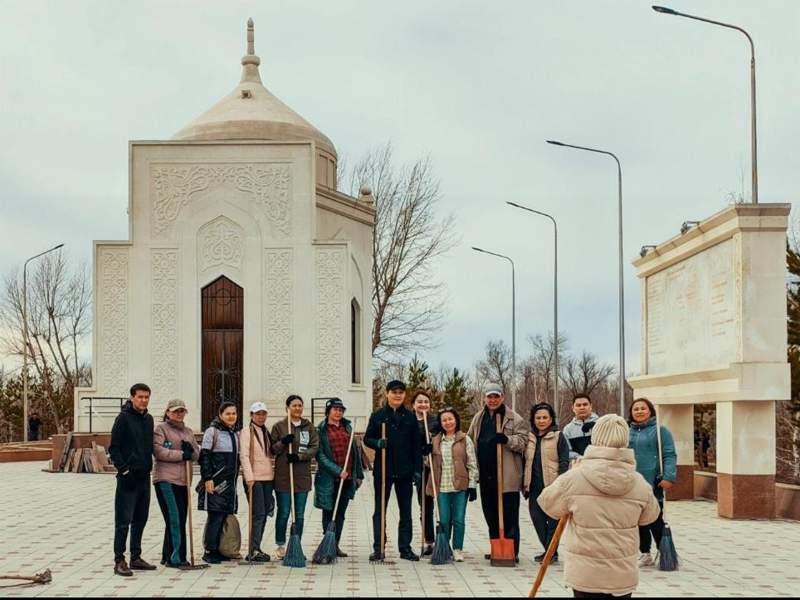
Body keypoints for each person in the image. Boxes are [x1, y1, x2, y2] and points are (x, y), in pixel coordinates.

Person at [538, 414, 661, 598]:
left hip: (585, 575)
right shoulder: (639, 483)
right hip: (622, 575)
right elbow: (650, 516)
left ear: (595, 437)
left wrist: (571, 473)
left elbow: (547, 504)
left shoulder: (575, 477)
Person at [466, 382, 529, 563]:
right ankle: (496, 546)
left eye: (496, 396)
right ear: (484, 398)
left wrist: (507, 439)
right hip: (486, 474)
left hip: (507, 475)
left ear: (502, 397)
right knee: (490, 513)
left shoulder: (514, 418)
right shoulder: (478, 418)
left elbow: (524, 441)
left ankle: (512, 550)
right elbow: (469, 440)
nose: (493, 400)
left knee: (509, 514)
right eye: (489, 397)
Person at [364, 380, 422, 561]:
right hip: (384, 471)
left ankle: (405, 548)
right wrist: (377, 443)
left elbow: (416, 445)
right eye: (394, 392)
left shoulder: (410, 417)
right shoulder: (378, 416)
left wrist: (417, 470)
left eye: (401, 392)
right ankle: (379, 547)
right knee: (380, 510)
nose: (398, 395)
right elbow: (367, 438)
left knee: (406, 511)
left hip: (405, 471)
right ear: (387, 393)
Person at [109, 383, 157, 576]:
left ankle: (135, 557)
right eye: (140, 397)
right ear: (132, 398)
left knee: (140, 519)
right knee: (123, 520)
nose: (143, 400)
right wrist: (124, 471)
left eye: (146, 397)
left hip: (144, 477)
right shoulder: (123, 418)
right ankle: (119, 560)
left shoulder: (149, 419)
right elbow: (114, 448)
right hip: (128, 478)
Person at [628, 398, 677, 568]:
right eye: (636, 409)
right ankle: (645, 553)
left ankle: (664, 552)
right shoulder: (628, 432)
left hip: (653, 482)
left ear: (650, 411)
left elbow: (669, 454)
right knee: (639, 520)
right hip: (633, 483)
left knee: (655, 518)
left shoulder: (660, 431)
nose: (639, 411)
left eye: (643, 408)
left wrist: (669, 477)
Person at [270, 394, 319, 560]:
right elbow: (273, 449)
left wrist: (299, 456)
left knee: (299, 514)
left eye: (300, 405)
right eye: (294, 405)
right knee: (284, 512)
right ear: (287, 408)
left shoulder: (308, 426)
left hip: (302, 477)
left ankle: (296, 544)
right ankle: (280, 544)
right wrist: (283, 442)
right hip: (284, 476)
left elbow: (314, 447)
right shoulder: (279, 426)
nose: (297, 408)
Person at [314, 398, 364, 557]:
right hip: (329, 479)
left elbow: (355, 452)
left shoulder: (347, 427)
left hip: (347, 479)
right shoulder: (320, 430)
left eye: (341, 410)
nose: (338, 412)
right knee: (328, 511)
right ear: (328, 411)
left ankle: (335, 544)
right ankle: (327, 542)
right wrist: (337, 471)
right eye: (335, 409)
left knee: (340, 513)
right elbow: (320, 456)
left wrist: (359, 474)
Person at [152, 399, 200, 568]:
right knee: (174, 518)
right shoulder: (161, 429)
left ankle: (167, 554)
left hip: (184, 480)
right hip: (166, 479)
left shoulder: (188, 431)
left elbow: (196, 454)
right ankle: (176, 557)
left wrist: (191, 451)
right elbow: (159, 451)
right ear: (168, 412)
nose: (179, 414)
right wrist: (181, 454)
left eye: (181, 411)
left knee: (180, 518)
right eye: (175, 411)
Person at [426, 407, 477, 562]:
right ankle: (444, 548)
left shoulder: (464, 439)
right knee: (444, 519)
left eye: (450, 419)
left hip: (460, 486)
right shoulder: (435, 440)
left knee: (458, 519)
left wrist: (472, 485)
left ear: (456, 420)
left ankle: (457, 549)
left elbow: (472, 463)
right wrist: (426, 452)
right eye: (444, 420)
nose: (448, 422)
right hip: (441, 486)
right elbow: (429, 464)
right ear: (440, 423)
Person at [523, 402, 570, 563]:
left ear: (551, 419)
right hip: (534, 487)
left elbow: (564, 460)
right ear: (533, 419)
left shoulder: (558, 436)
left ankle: (550, 553)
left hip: (553, 487)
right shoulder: (529, 438)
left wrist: (561, 482)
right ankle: (550, 551)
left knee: (553, 523)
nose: (541, 421)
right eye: (538, 418)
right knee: (537, 520)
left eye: (545, 417)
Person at [198, 401, 240, 564]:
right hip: (216, 482)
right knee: (215, 515)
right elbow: (205, 456)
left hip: (230, 482)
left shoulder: (234, 433)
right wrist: (207, 478)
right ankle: (209, 550)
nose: (231, 416)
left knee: (223, 515)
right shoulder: (212, 431)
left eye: (234, 413)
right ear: (220, 415)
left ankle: (219, 549)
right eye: (228, 413)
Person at [240, 401, 275, 562]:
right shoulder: (246, 431)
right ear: (251, 415)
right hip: (255, 478)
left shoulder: (266, 431)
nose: (261, 417)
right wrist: (249, 476)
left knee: (265, 512)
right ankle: (252, 549)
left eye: (263, 414)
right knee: (258, 513)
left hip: (268, 477)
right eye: (258, 414)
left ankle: (257, 547)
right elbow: (244, 455)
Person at [413, 390, 439, 556]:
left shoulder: (435, 422)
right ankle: (428, 540)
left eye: (426, 402)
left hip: (434, 466)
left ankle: (441, 540)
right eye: (419, 401)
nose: (423, 404)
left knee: (438, 504)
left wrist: (432, 444)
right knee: (424, 504)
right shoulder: (409, 421)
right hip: (418, 467)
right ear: (413, 404)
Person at [562, 394, 599, 460]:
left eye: (585, 404)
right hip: (578, 464)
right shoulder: (567, 429)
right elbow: (567, 451)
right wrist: (579, 457)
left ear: (591, 406)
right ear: (573, 408)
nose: (582, 407)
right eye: (578, 405)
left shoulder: (601, 424)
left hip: (599, 463)